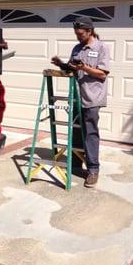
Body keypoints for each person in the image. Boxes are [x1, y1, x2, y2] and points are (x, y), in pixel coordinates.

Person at [51, 16, 110, 187]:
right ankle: (76, 163)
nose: (78, 37)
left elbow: (103, 74)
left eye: (81, 34)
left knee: (90, 133)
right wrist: (61, 64)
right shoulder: (77, 48)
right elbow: (72, 68)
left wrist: (84, 67)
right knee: (76, 130)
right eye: (76, 34)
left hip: (92, 98)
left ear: (90, 31)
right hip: (76, 96)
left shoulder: (101, 48)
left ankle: (93, 170)